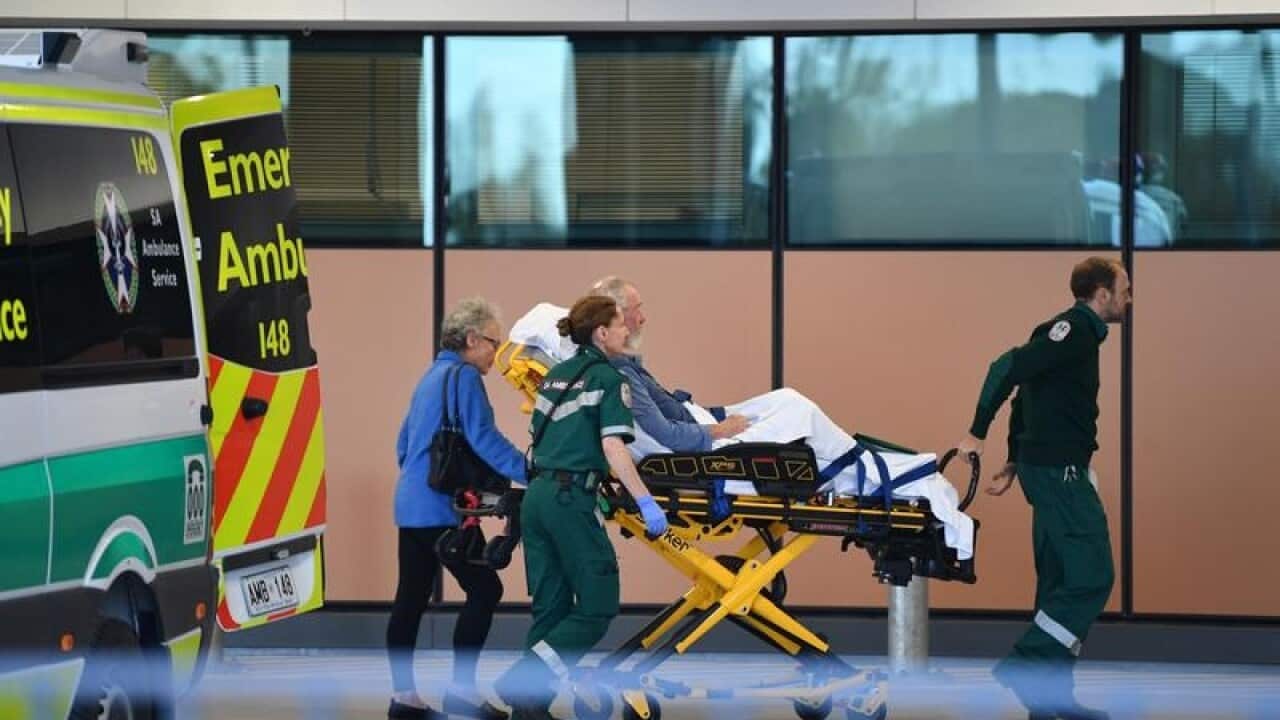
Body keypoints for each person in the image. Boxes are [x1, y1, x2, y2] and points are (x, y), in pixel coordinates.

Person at [580, 277, 973, 558]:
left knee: (789, 401)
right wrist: (720, 428)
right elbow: (670, 437)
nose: (642, 318)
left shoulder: (619, 367)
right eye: (633, 313)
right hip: (702, 447)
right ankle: (899, 476)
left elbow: (666, 418)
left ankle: (877, 466)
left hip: (700, 428)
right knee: (800, 414)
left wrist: (716, 418)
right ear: (605, 327)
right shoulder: (619, 377)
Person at [955, 257, 1132, 720]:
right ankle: (1025, 667)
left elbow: (1026, 392)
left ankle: (1049, 701)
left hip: (1045, 469)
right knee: (1092, 575)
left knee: (1057, 583)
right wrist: (977, 432)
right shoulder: (1072, 331)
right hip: (1061, 474)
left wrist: (1014, 457)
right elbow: (1005, 368)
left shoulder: (1068, 335)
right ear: (1101, 294)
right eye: (1125, 289)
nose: (1130, 299)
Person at [495, 295, 669, 720]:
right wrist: (646, 501)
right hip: (570, 500)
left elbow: (538, 443)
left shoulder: (554, 379)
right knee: (597, 604)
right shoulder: (608, 379)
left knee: (551, 606)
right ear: (601, 333)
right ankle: (523, 679)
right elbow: (613, 446)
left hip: (537, 498)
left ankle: (530, 707)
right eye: (619, 323)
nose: (628, 329)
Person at [387, 298, 525, 720]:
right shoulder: (464, 376)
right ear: (470, 339)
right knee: (486, 589)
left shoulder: (430, 376)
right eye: (493, 343)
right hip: (443, 511)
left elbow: (403, 445)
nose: (496, 353)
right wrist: (531, 469)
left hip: (411, 504)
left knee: (410, 597)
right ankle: (462, 692)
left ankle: (404, 699)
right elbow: (484, 438)